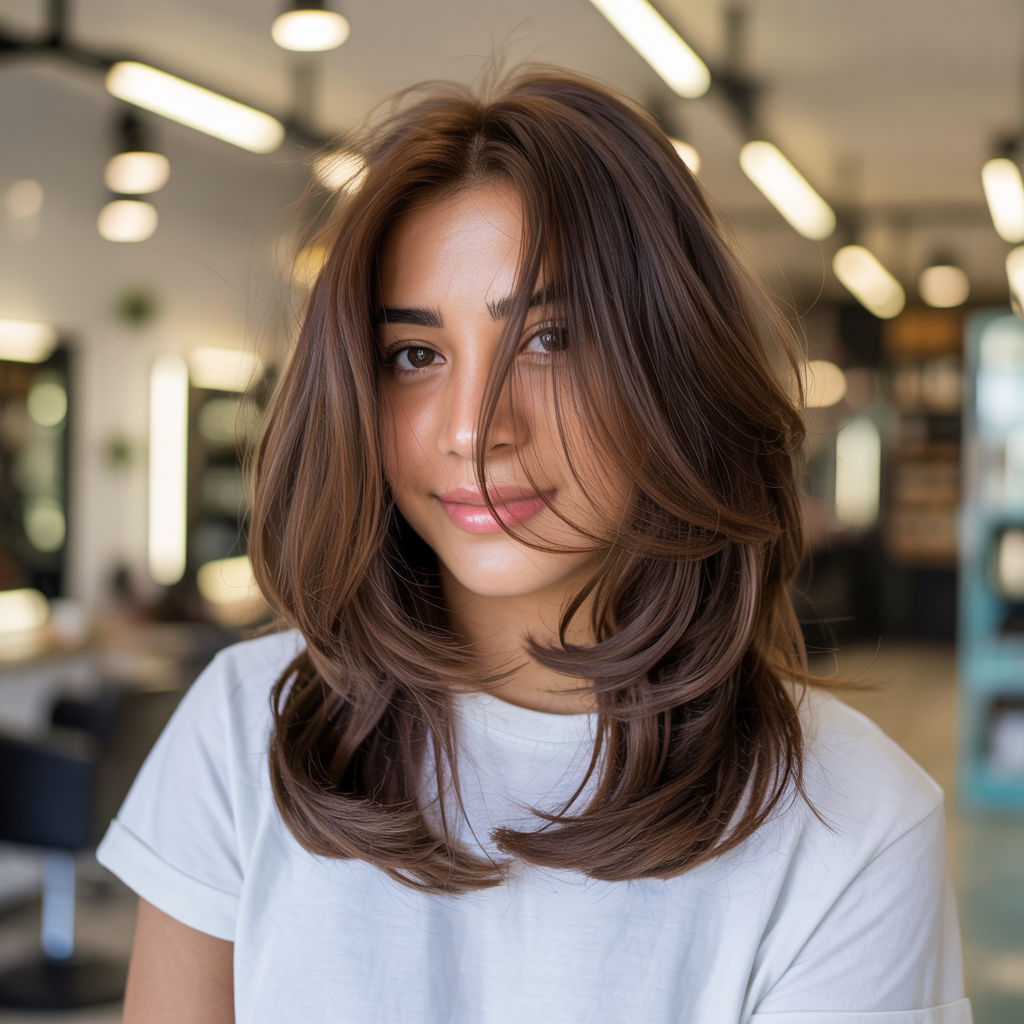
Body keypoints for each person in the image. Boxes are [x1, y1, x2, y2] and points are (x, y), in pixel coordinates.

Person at [98, 69, 971, 1024]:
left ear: (675, 372)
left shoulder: (854, 818)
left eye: (552, 340)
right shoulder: (246, 731)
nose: (474, 427)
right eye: (415, 356)